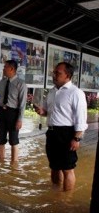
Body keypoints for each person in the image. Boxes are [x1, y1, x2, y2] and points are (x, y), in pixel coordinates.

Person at [34, 62, 88, 191]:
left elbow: (81, 118)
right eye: (54, 72)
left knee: (67, 168)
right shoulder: (52, 91)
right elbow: (48, 112)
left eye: (58, 73)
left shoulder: (76, 93)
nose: (54, 75)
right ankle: (56, 194)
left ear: (67, 75)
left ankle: (67, 200)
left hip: (67, 133)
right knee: (54, 166)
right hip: (52, 132)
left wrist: (76, 139)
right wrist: (42, 112)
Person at [0, 60, 27, 162]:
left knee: (14, 141)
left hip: (13, 114)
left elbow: (23, 104)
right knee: (0, 140)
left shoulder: (21, 84)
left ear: (12, 69)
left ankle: (14, 164)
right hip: (1, 113)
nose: (3, 69)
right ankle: (1, 162)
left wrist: (20, 119)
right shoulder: (1, 83)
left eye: (5, 67)